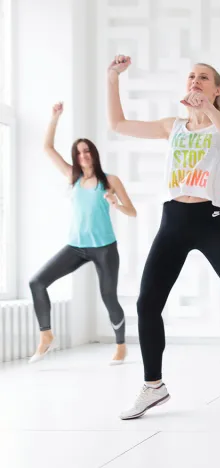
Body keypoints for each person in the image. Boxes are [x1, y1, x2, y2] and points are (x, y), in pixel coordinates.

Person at [107, 55, 220, 420]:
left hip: (211, 220)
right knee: (147, 303)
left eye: (204, 78)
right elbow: (118, 124)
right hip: (174, 221)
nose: (195, 81)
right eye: (191, 77)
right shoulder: (173, 126)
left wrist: (209, 108)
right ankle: (154, 386)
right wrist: (112, 78)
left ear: (217, 89)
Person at [29, 102, 135, 365]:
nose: (84, 156)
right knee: (37, 282)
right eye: (79, 153)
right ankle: (46, 335)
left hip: (104, 248)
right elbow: (47, 148)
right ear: (75, 158)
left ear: (94, 154)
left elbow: (132, 212)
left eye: (87, 151)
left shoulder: (110, 180)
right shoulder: (72, 177)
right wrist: (54, 118)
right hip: (76, 247)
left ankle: (121, 344)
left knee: (108, 297)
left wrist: (115, 204)